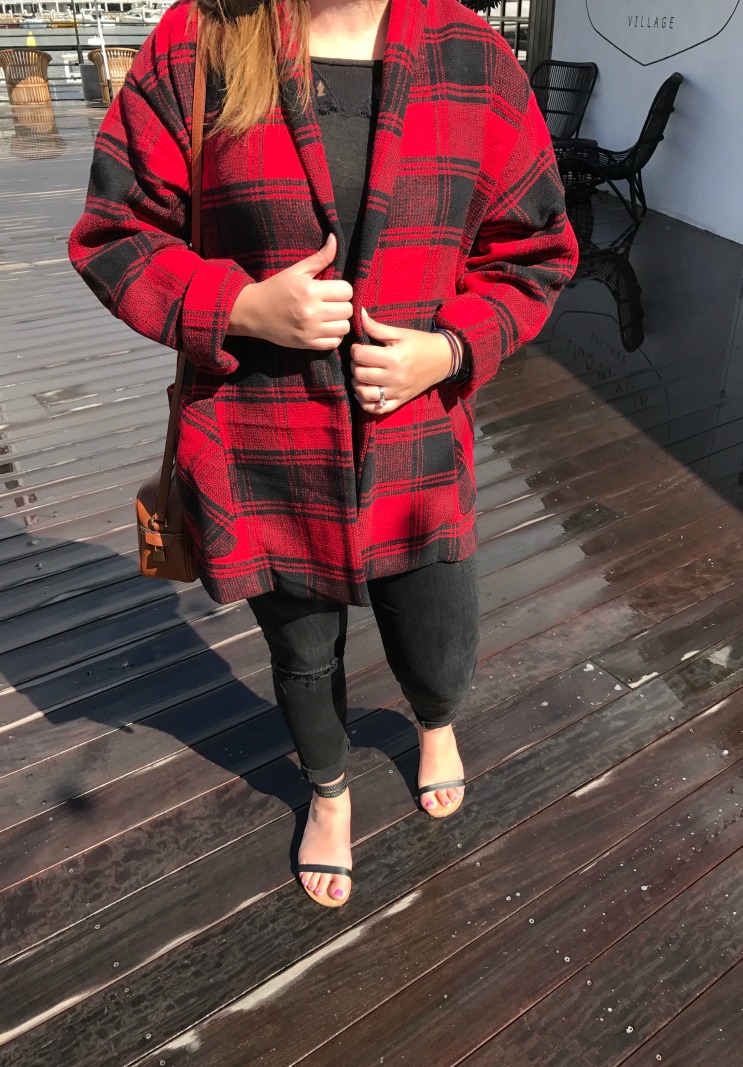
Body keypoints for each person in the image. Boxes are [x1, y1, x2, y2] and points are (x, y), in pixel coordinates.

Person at [69, 0, 578, 908]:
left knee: (441, 641)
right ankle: (330, 791)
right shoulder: (200, 38)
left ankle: (435, 722)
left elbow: (535, 250)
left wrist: (449, 350)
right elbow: (116, 233)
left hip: (419, 445)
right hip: (264, 446)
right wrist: (236, 307)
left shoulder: (473, 54)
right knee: (302, 655)